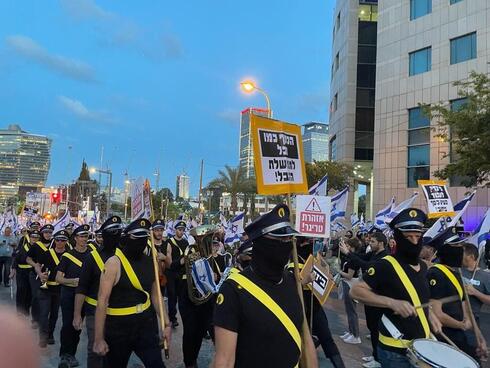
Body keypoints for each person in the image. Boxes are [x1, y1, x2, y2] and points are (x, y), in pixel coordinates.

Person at [213, 204, 318, 368]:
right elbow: (224, 362)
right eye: (280, 239)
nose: (287, 245)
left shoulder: (292, 281)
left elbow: (305, 338)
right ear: (261, 244)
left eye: (289, 239)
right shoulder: (233, 290)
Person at [350, 208, 442, 368]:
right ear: (398, 238)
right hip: (394, 351)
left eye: (418, 236)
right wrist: (391, 303)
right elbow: (356, 291)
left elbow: (419, 297)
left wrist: (430, 314)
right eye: (408, 237)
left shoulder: (423, 266)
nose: (414, 241)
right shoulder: (385, 264)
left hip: (420, 347)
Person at [93, 218, 171, 368]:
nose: (140, 242)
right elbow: (102, 301)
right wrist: (98, 338)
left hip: (146, 326)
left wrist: (166, 324)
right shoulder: (113, 263)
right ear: (126, 237)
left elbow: (156, 295)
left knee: (157, 365)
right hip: (117, 329)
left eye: (144, 237)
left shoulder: (151, 263)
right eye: (136, 237)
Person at [427, 228, 487, 361]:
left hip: (461, 335)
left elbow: (467, 309)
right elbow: (436, 313)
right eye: (457, 247)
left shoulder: (456, 273)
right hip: (445, 338)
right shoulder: (436, 274)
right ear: (447, 250)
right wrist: (461, 325)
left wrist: (480, 339)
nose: (461, 251)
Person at [74, 216, 122, 368]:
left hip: (119, 312)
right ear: (104, 235)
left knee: (117, 351)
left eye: (118, 232)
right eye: (111, 232)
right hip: (94, 311)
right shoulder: (92, 258)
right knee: (95, 350)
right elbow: (82, 287)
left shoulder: (125, 256)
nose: (115, 235)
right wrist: (77, 315)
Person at [291, 236, 345, 368]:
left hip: (314, 306)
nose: (313, 244)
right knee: (299, 339)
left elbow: (325, 284)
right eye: (309, 241)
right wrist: (304, 281)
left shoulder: (316, 261)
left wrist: (328, 278)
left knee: (326, 338)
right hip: (299, 307)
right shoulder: (292, 263)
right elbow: (288, 287)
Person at [341, 229, 389, 368]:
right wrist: (349, 252)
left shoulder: (384, 257)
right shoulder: (373, 253)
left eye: (373, 241)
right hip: (370, 294)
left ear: (381, 243)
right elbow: (361, 257)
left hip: (378, 297)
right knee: (371, 326)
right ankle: (375, 354)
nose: (370, 243)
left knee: (375, 329)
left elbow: (366, 266)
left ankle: (378, 359)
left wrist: (349, 253)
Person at [171, 225, 215, 368]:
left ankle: (193, 357)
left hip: (206, 297)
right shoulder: (189, 250)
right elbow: (173, 265)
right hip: (188, 296)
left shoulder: (213, 255)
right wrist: (185, 260)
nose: (204, 241)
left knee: (201, 329)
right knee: (190, 331)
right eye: (201, 238)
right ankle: (190, 362)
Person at [56, 224, 91, 368]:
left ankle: (72, 354)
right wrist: (73, 281)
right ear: (75, 238)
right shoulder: (68, 256)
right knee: (67, 325)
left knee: (77, 326)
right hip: (69, 295)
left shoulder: (92, 253)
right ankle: (64, 355)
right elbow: (58, 278)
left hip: (85, 296)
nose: (84, 239)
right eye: (81, 236)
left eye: (86, 236)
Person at [37, 229, 69, 347]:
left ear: (66, 241)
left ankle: (50, 334)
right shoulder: (47, 253)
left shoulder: (69, 255)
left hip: (60, 289)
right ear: (54, 240)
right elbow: (38, 265)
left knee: (54, 314)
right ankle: (43, 337)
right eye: (57, 240)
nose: (60, 242)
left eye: (63, 240)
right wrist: (40, 274)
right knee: (44, 314)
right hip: (46, 288)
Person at [461, 242, 490, 353]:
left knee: (471, 352)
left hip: (472, 322)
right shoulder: (456, 270)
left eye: (461, 253)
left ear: (471, 256)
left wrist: (475, 293)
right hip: (453, 318)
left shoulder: (485, 277)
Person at [26, 224, 54, 329]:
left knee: (48, 299)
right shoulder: (36, 245)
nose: (48, 234)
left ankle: (45, 319)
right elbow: (28, 259)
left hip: (50, 276)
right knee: (36, 296)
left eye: (50, 232)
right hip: (36, 275)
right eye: (46, 232)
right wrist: (36, 265)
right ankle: (35, 318)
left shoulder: (55, 244)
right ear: (42, 233)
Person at [338, 237, 362, 344]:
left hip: (351, 284)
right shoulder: (350, 258)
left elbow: (349, 275)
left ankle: (356, 335)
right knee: (348, 310)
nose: (345, 247)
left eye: (347, 246)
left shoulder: (353, 259)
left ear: (352, 247)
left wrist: (338, 271)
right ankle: (351, 332)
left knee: (352, 310)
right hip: (348, 283)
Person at [166, 220, 189, 328]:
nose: (181, 232)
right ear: (175, 230)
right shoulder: (169, 242)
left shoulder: (186, 242)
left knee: (182, 298)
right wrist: (180, 262)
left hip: (182, 274)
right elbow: (169, 263)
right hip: (172, 274)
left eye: (183, 230)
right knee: (172, 297)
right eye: (179, 229)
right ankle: (172, 318)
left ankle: (184, 316)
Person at [11, 229, 39, 317]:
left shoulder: (40, 249)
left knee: (30, 292)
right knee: (21, 290)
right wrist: (13, 270)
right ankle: (19, 310)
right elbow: (16, 259)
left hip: (33, 272)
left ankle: (26, 310)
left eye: (37, 237)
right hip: (21, 272)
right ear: (29, 238)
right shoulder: (23, 247)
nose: (34, 239)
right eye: (33, 237)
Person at [152, 219, 171, 298]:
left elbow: (170, 265)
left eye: (161, 230)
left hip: (162, 278)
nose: (159, 233)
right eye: (156, 230)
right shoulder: (149, 244)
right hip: (151, 278)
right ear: (152, 231)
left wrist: (165, 257)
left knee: (160, 300)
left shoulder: (167, 245)